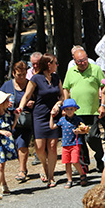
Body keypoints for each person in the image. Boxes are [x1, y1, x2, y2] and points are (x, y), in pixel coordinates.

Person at [17, 53, 62, 187]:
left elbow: (62, 95)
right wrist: (20, 107)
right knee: (40, 148)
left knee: (53, 146)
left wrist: (58, 104)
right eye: (55, 63)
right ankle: (45, 165)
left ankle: (51, 176)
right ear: (49, 64)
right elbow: (26, 95)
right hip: (39, 115)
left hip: (53, 115)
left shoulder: (56, 77)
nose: (57, 65)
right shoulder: (36, 78)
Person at [64, 48, 105, 171]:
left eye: (84, 60)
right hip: (75, 112)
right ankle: (83, 165)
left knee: (92, 137)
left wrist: (102, 105)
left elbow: (104, 87)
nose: (82, 63)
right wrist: (66, 106)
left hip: (92, 111)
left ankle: (100, 158)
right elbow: (66, 88)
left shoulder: (96, 69)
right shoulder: (71, 71)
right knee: (79, 140)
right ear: (74, 61)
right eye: (79, 61)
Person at [1, 61, 32, 183]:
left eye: (24, 74)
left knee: (22, 144)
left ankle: (22, 170)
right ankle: (22, 167)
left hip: (25, 121)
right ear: (13, 73)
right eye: (19, 74)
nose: (22, 77)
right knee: (16, 145)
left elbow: (39, 99)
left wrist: (32, 103)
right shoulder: (7, 86)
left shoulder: (30, 85)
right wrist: (5, 104)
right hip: (10, 121)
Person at [49, 98, 88, 188]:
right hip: (65, 144)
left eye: (71, 109)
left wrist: (79, 131)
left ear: (75, 109)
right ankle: (69, 179)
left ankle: (82, 174)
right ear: (64, 110)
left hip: (75, 143)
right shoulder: (62, 120)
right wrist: (51, 116)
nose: (69, 111)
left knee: (74, 160)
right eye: (67, 109)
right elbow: (52, 126)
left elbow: (85, 130)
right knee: (67, 163)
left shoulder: (78, 119)